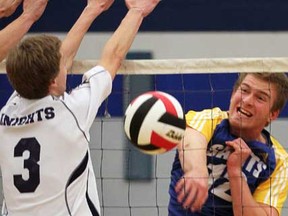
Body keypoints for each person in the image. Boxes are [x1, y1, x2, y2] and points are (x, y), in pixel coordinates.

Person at [0, 0, 160, 215]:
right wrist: (137, 12)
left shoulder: (7, 113)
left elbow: (60, 59)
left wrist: (92, 9)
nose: (65, 66)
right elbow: (113, 56)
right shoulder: (72, 112)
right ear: (53, 81)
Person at [169, 73, 288, 216]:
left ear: (272, 114)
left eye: (260, 98)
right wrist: (196, 171)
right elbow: (191, 141)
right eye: (244, 90)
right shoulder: (211, 120)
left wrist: (235, 172)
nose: (248, 100)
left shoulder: (279, 161)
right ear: (233, 94)